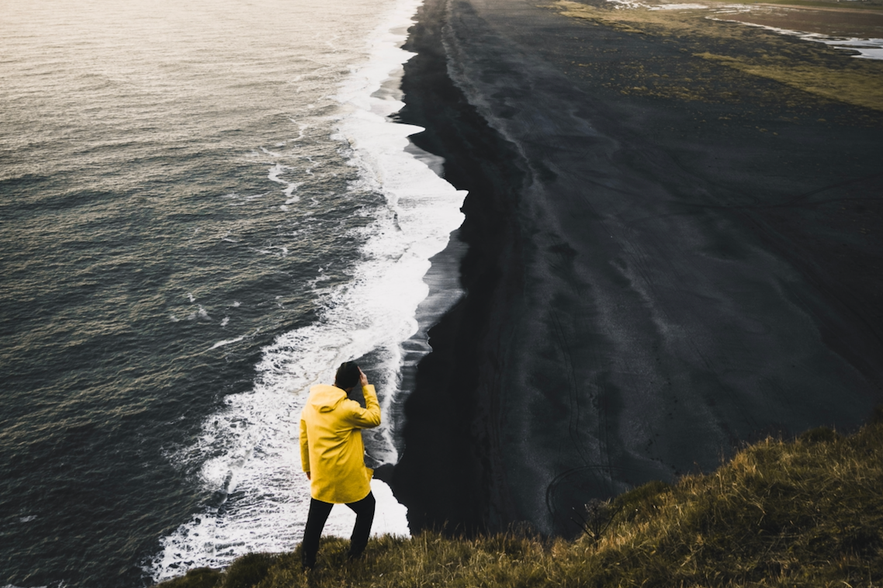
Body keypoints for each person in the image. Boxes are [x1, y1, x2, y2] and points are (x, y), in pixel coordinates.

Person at [299, 361, 381, 570]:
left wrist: (308, 468)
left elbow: (304, 438)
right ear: (352, 385)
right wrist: (367, 388)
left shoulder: (311, 403)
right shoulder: (348, 409)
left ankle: (307, 564)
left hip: (322, 475)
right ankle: (354, 555)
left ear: (335, 378)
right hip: (346, 477)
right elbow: (375, 418)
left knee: (315, 523)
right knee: (366, 509)